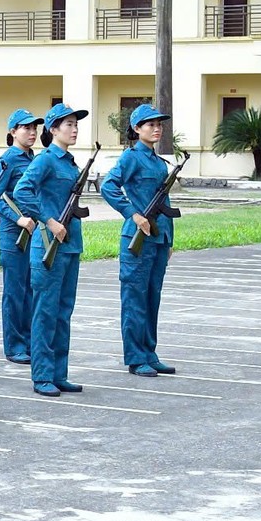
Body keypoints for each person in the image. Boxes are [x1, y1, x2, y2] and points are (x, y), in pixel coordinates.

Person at [10, 103, 91, 397]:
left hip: (69, 245)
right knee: (45, 311)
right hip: (48, 244)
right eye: (68, 124)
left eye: (76, 124)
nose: (74, 129)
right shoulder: (45, 161)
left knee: (63, 312)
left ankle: (59, 372)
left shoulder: (69, 162)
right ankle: (42, 375)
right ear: (53, 130)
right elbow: (22, 191)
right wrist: (48, 219)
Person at [99, 104, 179, 378]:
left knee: (151, 298)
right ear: (136, 129)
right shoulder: (131, 158)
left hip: (158, 239)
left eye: (159, 124)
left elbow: (164, 203)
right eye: (150, 124)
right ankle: (135, 357)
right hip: (137, 238)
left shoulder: (158, 162)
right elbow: (108, 185)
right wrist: (132, 214)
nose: (156, 128)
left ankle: (149, 352)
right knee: (134, 298)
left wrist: (169, 240)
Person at [0, 109, 43, 365]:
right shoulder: (7, 160)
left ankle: (31, 341)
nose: (32, 133)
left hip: (36, 234)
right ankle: (14, 345)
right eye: (25, 128)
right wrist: (17, 218)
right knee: (15, 290)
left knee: (32, 288)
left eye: (34, 128)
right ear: (12, 132)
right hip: (14, 234)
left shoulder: (36, 159)